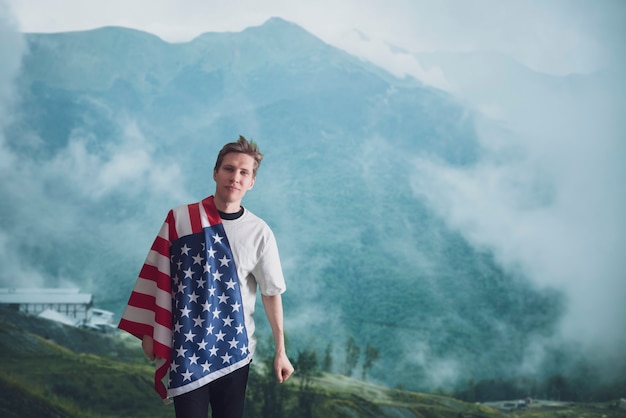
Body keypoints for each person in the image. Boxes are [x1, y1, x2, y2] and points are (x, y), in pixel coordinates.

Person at [118, 135, 294, 418]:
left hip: (235, 350)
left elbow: (271, 293)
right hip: (186, 348)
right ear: (215, 172)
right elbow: (158, 276)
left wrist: (280, 350)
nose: (234, 177)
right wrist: (150, 332)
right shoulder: (180, 219)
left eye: (244, 172)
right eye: (228, 168)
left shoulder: (260, 232)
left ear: (251, 182)